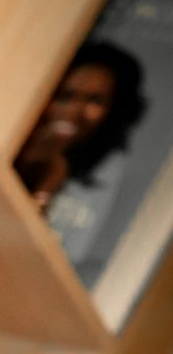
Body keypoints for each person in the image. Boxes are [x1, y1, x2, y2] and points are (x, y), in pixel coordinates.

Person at [15, 40, 147, 268]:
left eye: (94, 101)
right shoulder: (13, 142)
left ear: (115, 110)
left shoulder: (113, 176)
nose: (75, 111)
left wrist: (48, 184)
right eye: (65, 96)